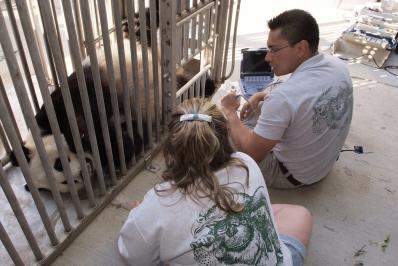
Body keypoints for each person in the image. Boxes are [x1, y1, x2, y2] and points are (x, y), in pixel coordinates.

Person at [118, 98, 312, 266]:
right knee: (300, 214)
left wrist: (141, 217)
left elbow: (134, 257)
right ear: (225, 137)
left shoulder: (159, 203)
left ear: (170, 151)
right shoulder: (246, 162)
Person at [221, 9, 353, 189]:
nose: (267, 58)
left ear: (301, 48)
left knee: (219, 134)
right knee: (269, 97)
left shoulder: (284, 97)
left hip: (291, 175)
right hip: (322, 164)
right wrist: (260, 96)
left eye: (273, 50)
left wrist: (229, 112)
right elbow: (302, 99)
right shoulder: (337, 66)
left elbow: (251, 153)